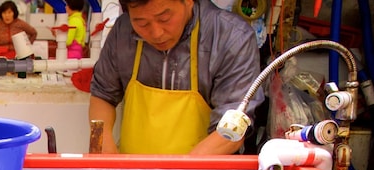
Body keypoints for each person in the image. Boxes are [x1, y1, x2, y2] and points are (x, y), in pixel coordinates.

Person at [89, 0, 263, 155]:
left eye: (164, 19)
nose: (156, 33)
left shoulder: (230, 36)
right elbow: (102, 95)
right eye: (141, 23)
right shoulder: (123, 31)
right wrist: (101, 144)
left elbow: (231, 131)